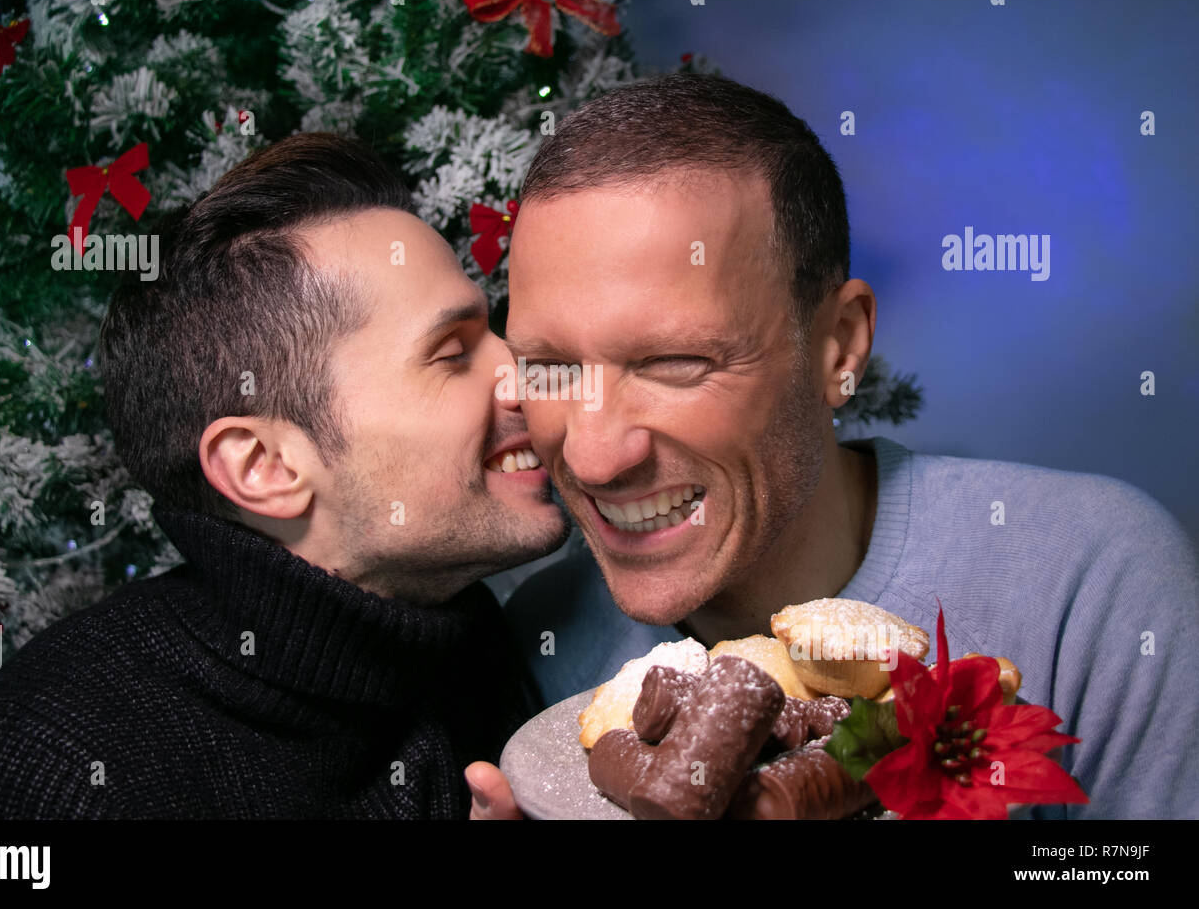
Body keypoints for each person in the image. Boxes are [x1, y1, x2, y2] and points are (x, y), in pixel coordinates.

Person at [465, 73, 1199, 819]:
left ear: (839, 347)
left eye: (674, 364)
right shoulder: (543, 632)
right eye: (549, 368)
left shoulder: (1093, 580)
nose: (592, 457)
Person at [0, 133, 568, 818]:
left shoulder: (465, 633)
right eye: (452, 353)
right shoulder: (36, 786)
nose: (527, 377)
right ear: (264, 467)